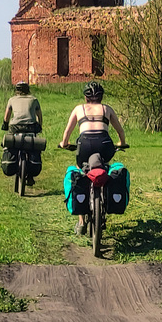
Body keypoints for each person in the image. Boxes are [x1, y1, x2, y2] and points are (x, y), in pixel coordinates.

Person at [59, 82, 129, 234]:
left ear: (85, 97)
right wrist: (121, 144)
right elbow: (120, 132)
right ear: (101, 96)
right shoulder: (107, 109)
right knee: (105, 167)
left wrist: (64, 144)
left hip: (84, 145)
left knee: (80, 173)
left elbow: (67, 132)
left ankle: (81, 221)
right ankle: (105, 197)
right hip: (104, 144)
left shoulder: (79, 109)